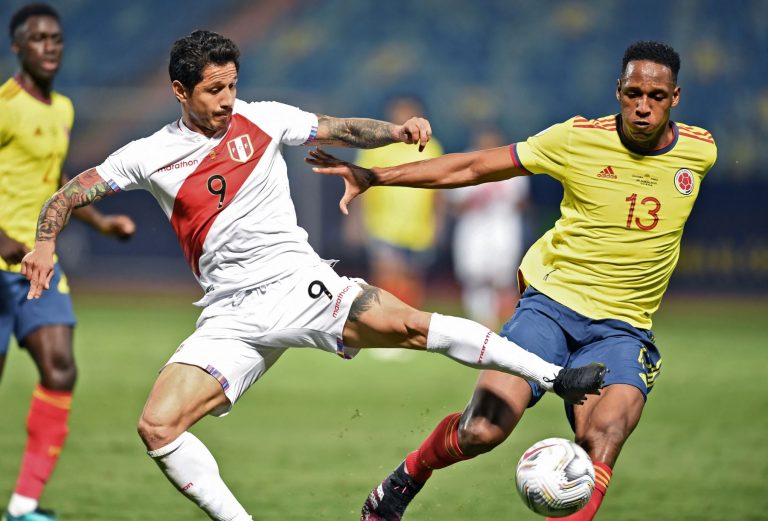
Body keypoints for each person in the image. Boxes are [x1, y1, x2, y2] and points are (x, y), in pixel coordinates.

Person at [20, 30, 605, 520]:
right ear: (180, 90)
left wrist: (398, 134)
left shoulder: (263, 118)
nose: (227, 100)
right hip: (229, 313)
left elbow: (341, 128)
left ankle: (556, 376)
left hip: (298, 285)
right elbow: (70, 193)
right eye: (213, 89)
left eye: (232, 85)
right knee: (158, 425)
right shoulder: (148, 155)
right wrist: (46, 243)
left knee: (409, 325)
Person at [307, 40, 717, 521]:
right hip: (551, 308)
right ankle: (405, 479)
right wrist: (377, 176)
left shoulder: (700, 150)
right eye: (632, 93)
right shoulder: (576, 139)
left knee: (601, 439)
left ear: (676, 97)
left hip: (623, 329)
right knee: (482, 430)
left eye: (656, 96)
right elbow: (474, 166)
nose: (643, 106)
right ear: (618, 91)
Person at [1, 5, 135, 521]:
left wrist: (102, 224)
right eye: (38, 39)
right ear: (18, 47)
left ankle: (24, 505)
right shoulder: (5, 106)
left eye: (56, 38)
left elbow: (55, 186)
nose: (50, 46)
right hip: (3, 263)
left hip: (38, 267)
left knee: (60, 370)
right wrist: (9, 243)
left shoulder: (63, 109)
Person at [349, 95, 444, 308]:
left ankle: (406, 327)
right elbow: (361, 185)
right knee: (386, 279)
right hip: (383, 226)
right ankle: (383, 325)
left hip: (419, 229)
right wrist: (355, 222)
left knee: (412, 282)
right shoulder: (378, 146)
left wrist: (439, 223)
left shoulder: (431, 147)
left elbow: (439, 190)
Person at [446, 126, 529, 328]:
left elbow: (523, 202)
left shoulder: (512, 161)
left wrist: (500, 195)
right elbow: (452, 203)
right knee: (475, 277)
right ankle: (482, 324)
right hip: (474, 231)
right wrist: (475, 199)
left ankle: (507, 324)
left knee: (502, 279)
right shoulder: (465, 162)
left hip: (502, 229)